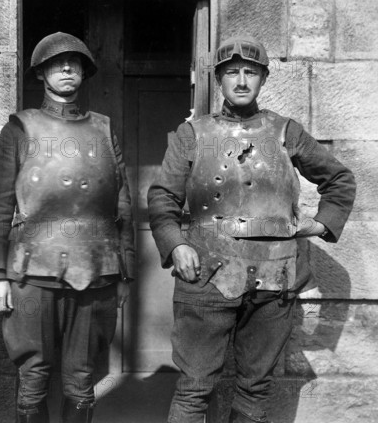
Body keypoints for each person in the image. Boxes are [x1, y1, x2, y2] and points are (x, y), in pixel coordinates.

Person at [147, 35, 356, 423]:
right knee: (194, 387)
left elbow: (339, 180)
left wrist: (319, 224)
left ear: (263, 79)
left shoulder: (286, 132)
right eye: (232, 73)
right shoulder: (192, 134)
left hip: (274, 279)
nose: (241, 81)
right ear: (219, 80)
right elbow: (162, 199)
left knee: (255, 387)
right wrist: (177, 246)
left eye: (250, 72)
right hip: (205, 277)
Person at [0, 32, 135, 423]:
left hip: (96, 273)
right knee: (32, 375)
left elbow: (123, 205)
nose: (67, 68)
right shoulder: (20, 129)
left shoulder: (103, 129)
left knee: (82, 378)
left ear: (84, 72)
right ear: (42, 73)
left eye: (75, 63)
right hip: (32, 274)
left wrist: (124, 273)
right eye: (57, 63)